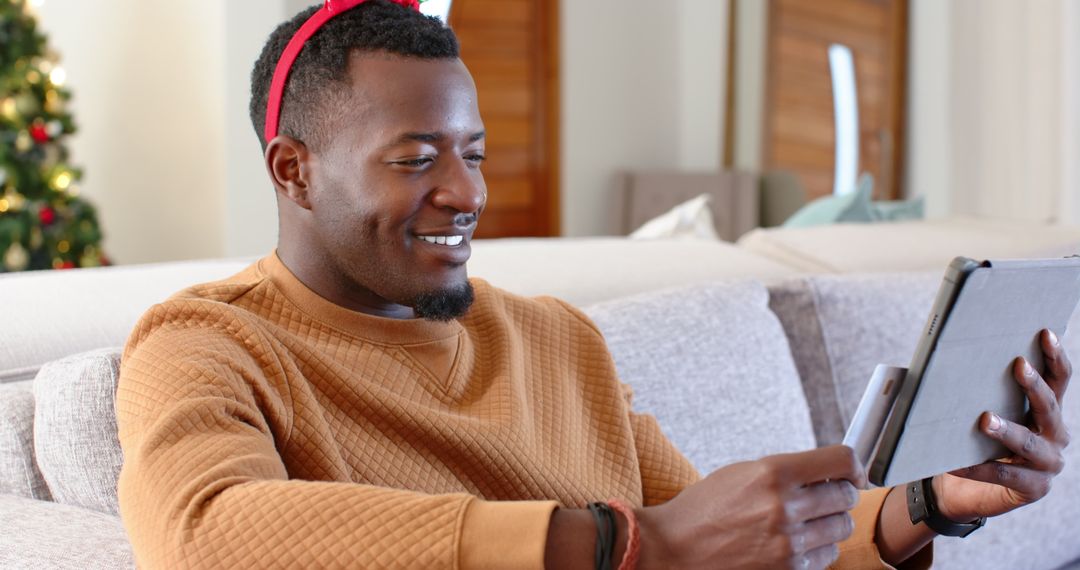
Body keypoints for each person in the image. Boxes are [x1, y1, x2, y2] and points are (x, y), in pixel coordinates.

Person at [115, 1, 1073, 568]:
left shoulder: (556, 340)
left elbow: (716, 546)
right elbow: (206, 535)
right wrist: (624, 545)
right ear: (292, 170)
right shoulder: (204, 347)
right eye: (416, 159)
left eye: (475, 155)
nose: (465, 193)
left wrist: (933, 502)